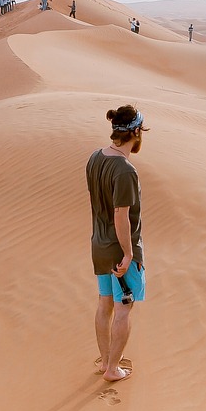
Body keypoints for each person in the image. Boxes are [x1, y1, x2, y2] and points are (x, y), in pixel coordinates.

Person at [85, 104, 147, 382]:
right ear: (135, 132)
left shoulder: (95, 158)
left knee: (104, 303)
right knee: (124, 306)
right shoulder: (125, 170)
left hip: (98, 244)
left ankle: (105, 362)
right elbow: (120, 214)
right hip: (119, 249)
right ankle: (112, 368)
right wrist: (128, 253)